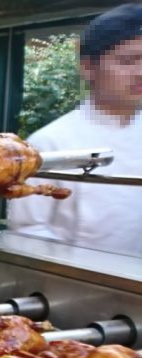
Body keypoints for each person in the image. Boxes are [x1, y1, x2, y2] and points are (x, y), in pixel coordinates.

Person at [8, 4, 142, 258]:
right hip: (77, 286)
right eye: (128, 61)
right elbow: (29, 232)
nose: (140, 72)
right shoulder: (51, 142)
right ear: (88, 68)